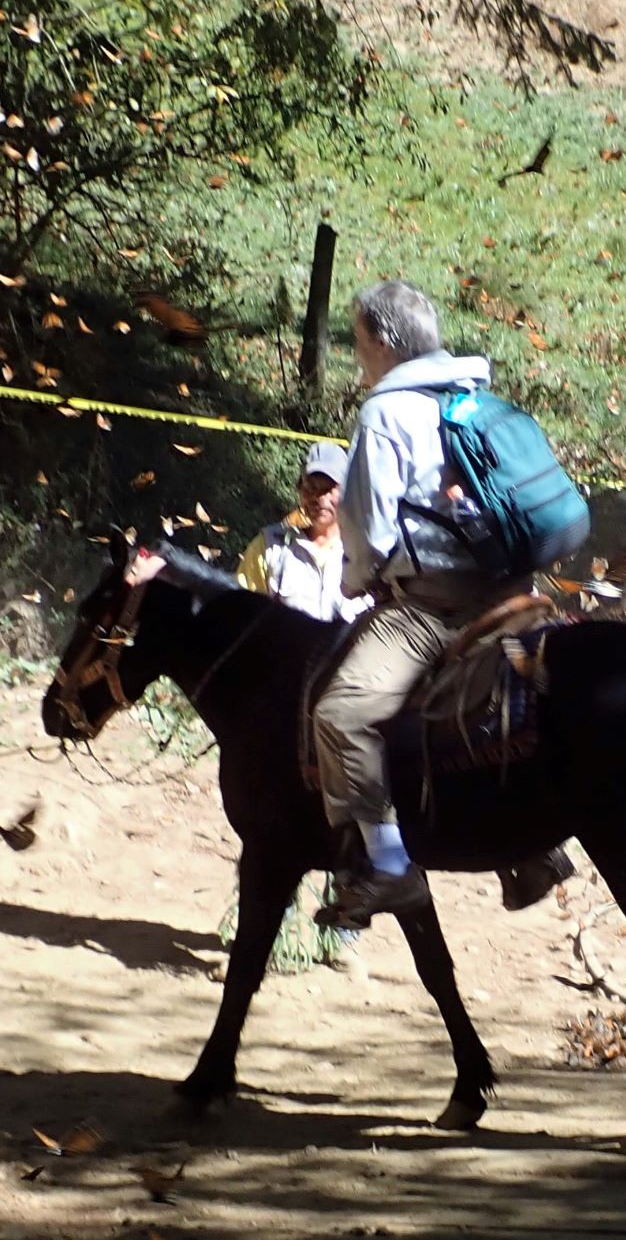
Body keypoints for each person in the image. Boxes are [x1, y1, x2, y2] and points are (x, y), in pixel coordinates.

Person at [312, 280, 570, 925]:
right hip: (514, 590)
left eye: (359, 339)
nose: (357, 352)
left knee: (343, 713)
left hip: (435, 606)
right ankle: (534, 850)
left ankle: (389, 866)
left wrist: (355, 582)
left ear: (384, 342)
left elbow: (367, 530)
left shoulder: (383, 414)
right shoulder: (476, 397)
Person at [237, 440, 373, 625]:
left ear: (348, 491)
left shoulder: (367, 553)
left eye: (328, 489)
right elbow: (242, 612)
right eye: (311, 488)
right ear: (299, 489)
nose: (319, 498)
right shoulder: (269, 547)